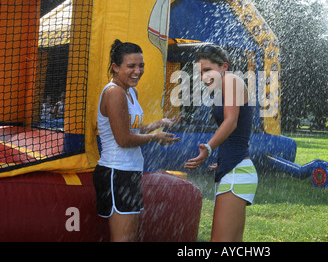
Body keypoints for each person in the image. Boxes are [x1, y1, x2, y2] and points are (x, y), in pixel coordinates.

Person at [93, 39, 180, 242]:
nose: (137, 71)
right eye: (131, 66)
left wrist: (160, 123)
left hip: (129, 171)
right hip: (116, 171)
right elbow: (123, 139)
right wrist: (154, 137)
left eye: (141, 65)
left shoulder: (131, 91)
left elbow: (133, 128)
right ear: (115, 67)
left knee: (129, 238)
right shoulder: (114, 92)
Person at [184, 44, 257, 242]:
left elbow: (231, 122)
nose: (204, 77)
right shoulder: (222, 90)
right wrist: (223, 157)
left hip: (236, 173)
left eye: (208, 70)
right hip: (234, 169)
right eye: (200, 73)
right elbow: (240, 131)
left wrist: (208, 148)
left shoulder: (231, 80)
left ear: (224, 67)